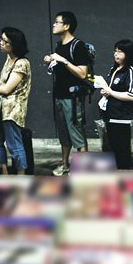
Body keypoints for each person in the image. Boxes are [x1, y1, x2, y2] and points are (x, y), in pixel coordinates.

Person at [43, 11, 89, 176]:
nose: (54, 25)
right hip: (59, 95)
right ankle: (65, 165)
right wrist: (52, 61)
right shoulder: (59, 46)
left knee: (76, 132)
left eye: (57, 22)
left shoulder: (78, 46)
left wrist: (64, 61)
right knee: (63, 133)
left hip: (73, 97)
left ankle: (82, 169)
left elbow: (82, 73)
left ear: (67, 26)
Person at [0, 27, 31, 175]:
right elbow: (3, 83)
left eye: (4, 41)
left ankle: (21, 175)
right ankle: (5, 170)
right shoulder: (9, 59)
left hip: (13, 110)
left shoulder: (21, 63)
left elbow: (7, 89)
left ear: (14, 44)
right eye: (1, 39)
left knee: (14, 145)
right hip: (3, 109)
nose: (0, 43)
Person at [99, 39, 133, 169]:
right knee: (112, 148)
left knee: (122, 151)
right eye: (115, 51)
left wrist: (110, 92)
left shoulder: (131, 71)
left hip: (121, 117)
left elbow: (131, 96)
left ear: (128, 53)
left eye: (120, 52)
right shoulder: (114, 69)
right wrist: (106, 92)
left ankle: (123, 175)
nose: (116, 54)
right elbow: (112, 89)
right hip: (109, 115)